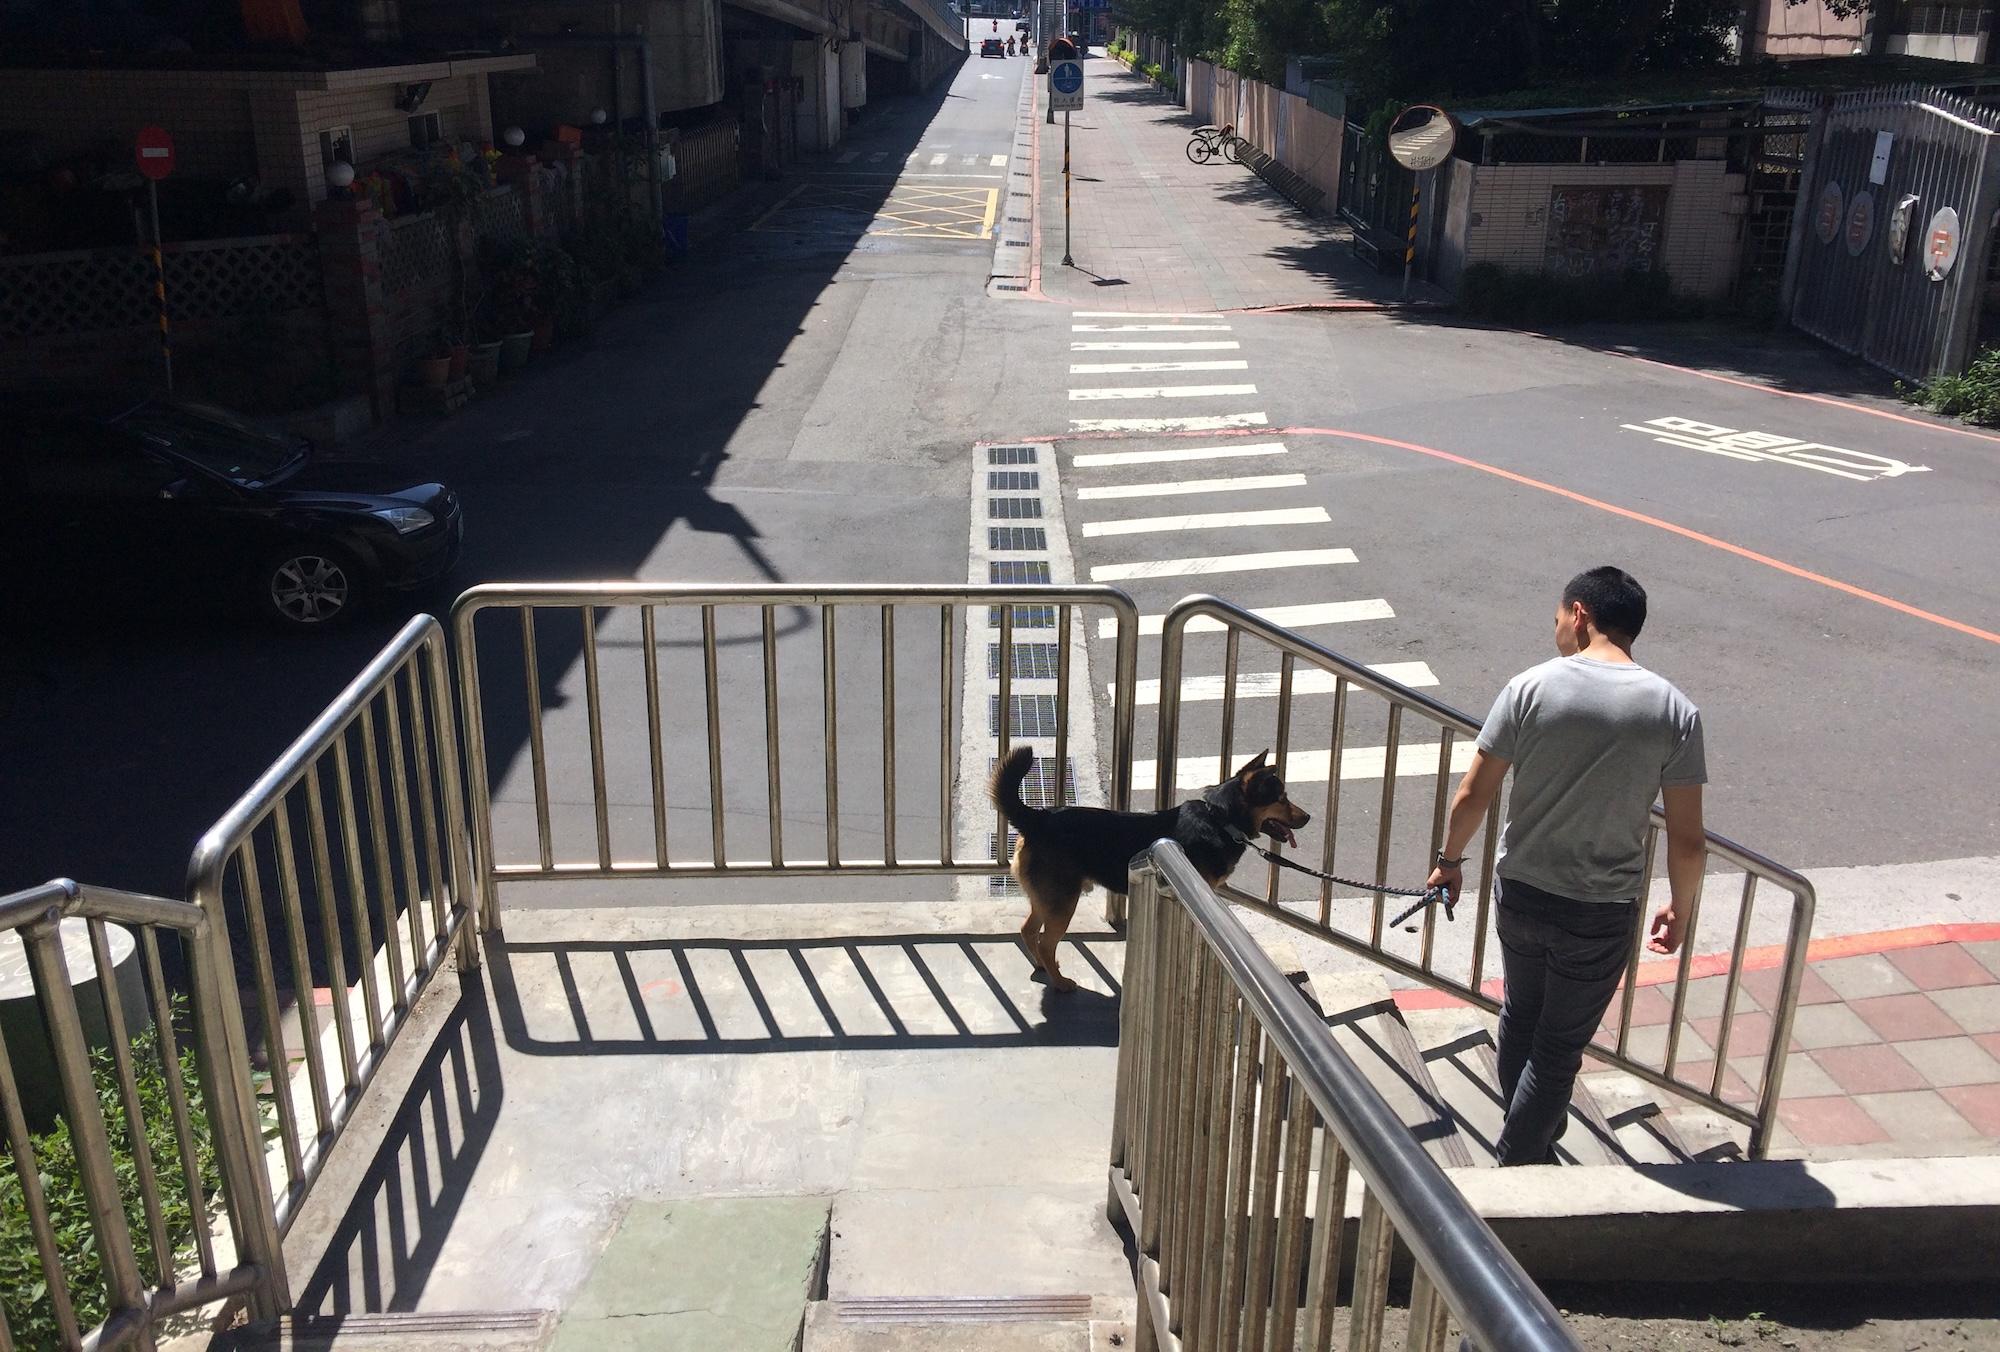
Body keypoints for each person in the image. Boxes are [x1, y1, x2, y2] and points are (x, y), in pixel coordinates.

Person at [1424, 566, 1706, 1167]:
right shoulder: (1675, 711)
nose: (1555, 629)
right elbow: (1687, 839)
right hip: (1602, 909)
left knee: (1521, 1016)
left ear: (1579, 614)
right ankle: (1522, 1157)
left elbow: (1472, 794)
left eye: (1557, 618)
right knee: (1557, 1050)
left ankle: (1525, 1143)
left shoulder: (1530, 688)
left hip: (1523, 891)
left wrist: (1449, 863)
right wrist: (1682, 907)